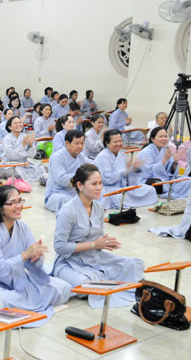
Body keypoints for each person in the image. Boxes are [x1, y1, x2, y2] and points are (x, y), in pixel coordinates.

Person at [0, 186, 72, 323]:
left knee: (63, 287)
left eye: (20, 201)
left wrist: (36, 257)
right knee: (0, 301)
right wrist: (24, 255)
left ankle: (25, 306)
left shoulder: (22, 226)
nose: (19, 206)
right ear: (0, 208)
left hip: (18, 279)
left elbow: (32, 261)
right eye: (13, 203)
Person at [52, 164, 144, 309]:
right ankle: (103, 282)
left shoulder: (99, 208)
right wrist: (94, 244)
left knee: (134, 264)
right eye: (94, 184)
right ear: (80, 185)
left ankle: (106, 281)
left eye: (100, 183)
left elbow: (98, 239)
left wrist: (104, 242)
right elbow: (60, 247)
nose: (99, 188)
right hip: (68, 263)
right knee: (86, 285)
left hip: (93, 258)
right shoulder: (67, 211)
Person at [94, 129, 157, 209]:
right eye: (115, 142)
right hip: (109, 189)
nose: (119, 144)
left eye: (120, 141)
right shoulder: (103, 156)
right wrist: (125, 171)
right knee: (119, 198)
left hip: (124, 187)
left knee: (150, 189)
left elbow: (129, 180)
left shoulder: (122, 155)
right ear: (107, 143)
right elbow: (107, 180)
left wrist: (134, 169)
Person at [131, 126, 191, 198]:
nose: (164, 139)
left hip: (166, 181)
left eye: (165, 136)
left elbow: (171, 172)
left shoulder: (165, 150)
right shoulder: (146, 152)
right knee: (156, 183)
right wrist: (164, 160)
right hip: (148, 180)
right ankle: (172, 189)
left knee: (190, 180)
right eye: (161, 136)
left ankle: (171, 189)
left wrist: (175, 162)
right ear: (152, 139)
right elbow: (149, 173)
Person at [45, 130, 88, 212]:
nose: (80, 146)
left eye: (82, 143)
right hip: (57, 192)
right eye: (77, 143)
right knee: (63, 200)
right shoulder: (57, 157)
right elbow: (61, 179)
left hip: (75, 192)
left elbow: (92, 166)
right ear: (67, 143)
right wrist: (81, 176)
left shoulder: (81, 156)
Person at [1, 116, 44, 181]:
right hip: (10, 164)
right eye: (15, 123)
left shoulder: (24, 136)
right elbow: (12, 156)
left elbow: (32, 156)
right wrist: (23, 144)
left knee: (41, 168)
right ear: (10, 127)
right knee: (14, 173)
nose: (18, 124)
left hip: (24, 164)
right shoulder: (7, 138)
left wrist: (30, 145)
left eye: (20, 122)